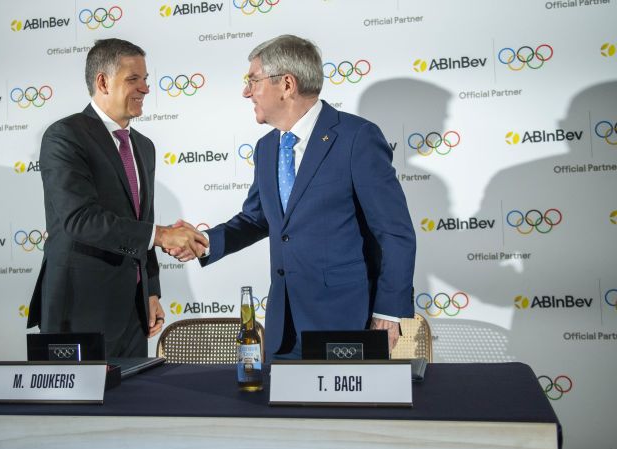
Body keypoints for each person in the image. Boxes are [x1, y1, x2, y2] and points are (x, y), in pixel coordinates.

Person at [182, 35, 416, 360]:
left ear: (287, 84)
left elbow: (394, 233)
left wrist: (389, 312)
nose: (246, 91)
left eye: (253, 80)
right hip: (284, 328)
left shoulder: (356, 138)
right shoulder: (266, 148)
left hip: (346, 322)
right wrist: (204, 241)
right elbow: (257, 218)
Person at [27, 38, 207, 357]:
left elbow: (142, 221)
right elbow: (80, 220)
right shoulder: (65, 136)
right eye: (133, 79)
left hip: (133, 312)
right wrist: (163, 235)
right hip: (79, 310)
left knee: (133, 403)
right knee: (78, 408)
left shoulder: (143, 145)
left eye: (146, 79)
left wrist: (150, 291)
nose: (145, 89)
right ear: (103, 82)